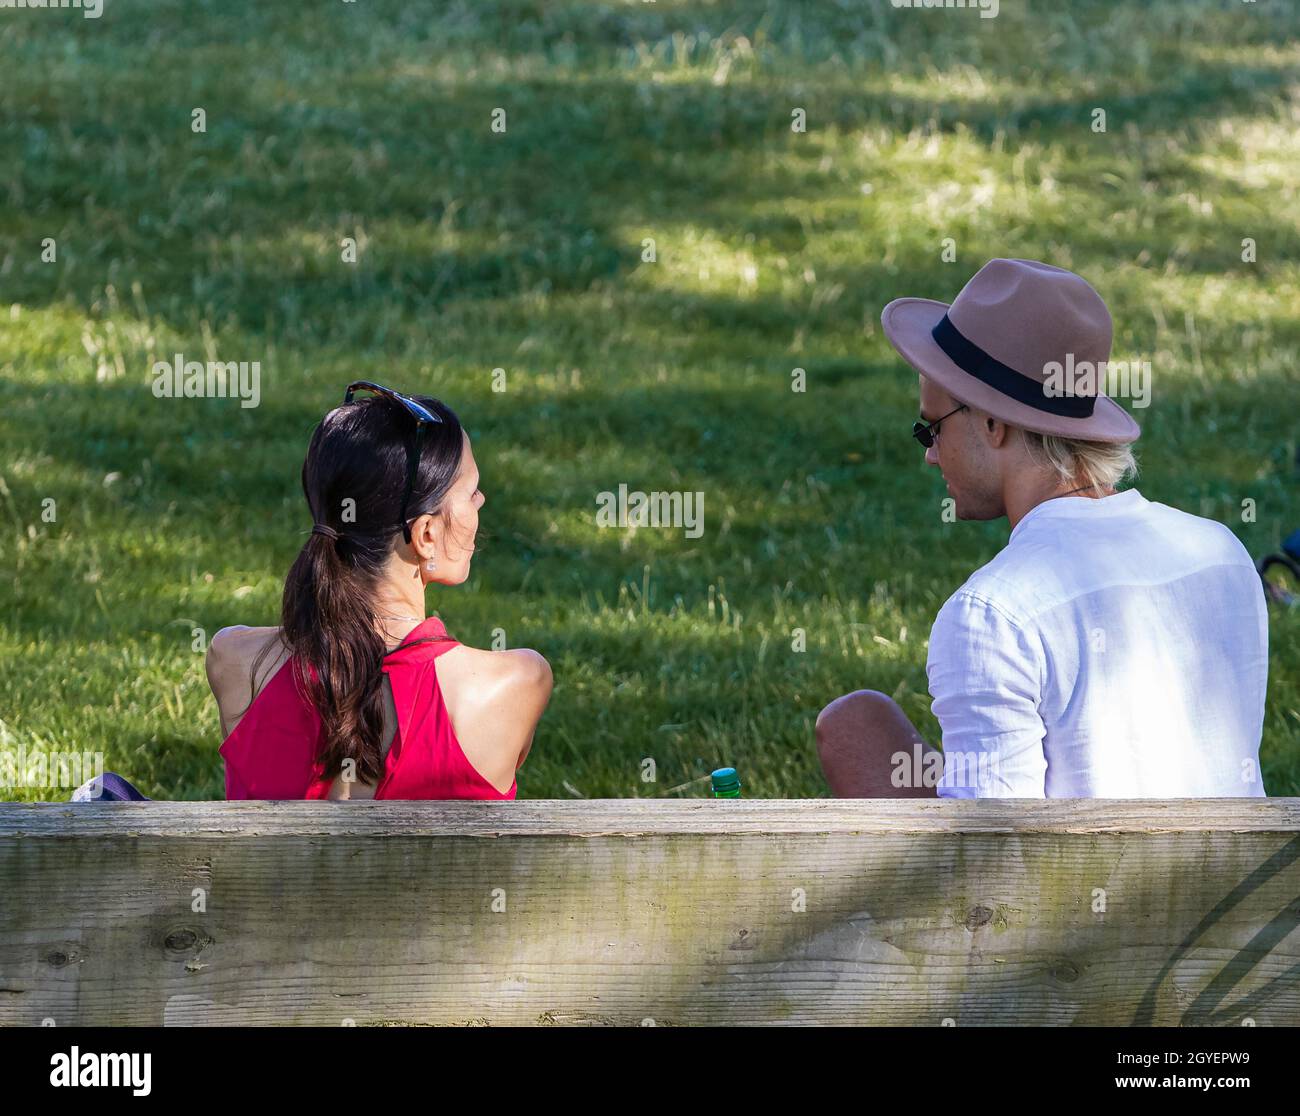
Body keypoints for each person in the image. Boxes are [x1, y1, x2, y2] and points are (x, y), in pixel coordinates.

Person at [816, 259, 1268, 798]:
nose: (930, 457)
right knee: (858, 724)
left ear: (992, 423)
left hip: (1077, 883)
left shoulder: (992, 615)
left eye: (929, 430)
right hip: (1236, 881)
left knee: (853, 729)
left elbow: (988, 862)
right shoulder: (1220, 551)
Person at [205, 381, 551, 800]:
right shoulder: (515, 684)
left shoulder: (237, 663)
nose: (481, 501)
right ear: (425, 535)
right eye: (472, 491)